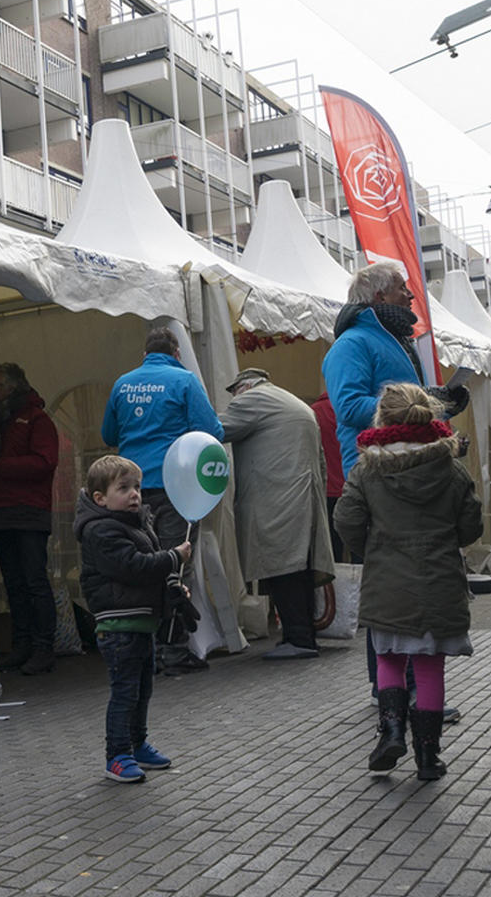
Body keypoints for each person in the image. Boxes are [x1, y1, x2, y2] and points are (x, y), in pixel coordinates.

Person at [333, 383, 483, 782]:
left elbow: (346, 520)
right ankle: (428, 758)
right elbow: (470, 526)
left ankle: (392, 733)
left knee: (389, 659)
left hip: (387, 579)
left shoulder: (368, 468)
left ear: (383, 418)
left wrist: (375, 546)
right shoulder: (450, 466)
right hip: (440, 580)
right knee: (430, 666)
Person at [101, 326, 223, 674]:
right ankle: (175, 652)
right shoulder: (184, 381)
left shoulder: (123, 383)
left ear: (144, 354)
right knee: (175, 566)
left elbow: (109, 434)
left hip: (131, 491)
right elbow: (211, 432)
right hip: (176, 488)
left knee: (140, 566)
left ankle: (146, 653)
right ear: (176, 354)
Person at [75, 455, 191, 783]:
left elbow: (150, 571)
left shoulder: (138, 525)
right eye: (123, 488)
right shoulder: (100, 530)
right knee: (125, 691)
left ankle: (138, 743)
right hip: (119, 626)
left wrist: (172, 586)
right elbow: (132, 567)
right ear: (100, 498)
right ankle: (117, 754)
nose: (134, 494)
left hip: (142, 624)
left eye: (137, 487)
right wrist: (172, 558)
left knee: (143, 689)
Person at [219, 368, 334, 659]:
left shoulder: (252, 400)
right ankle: (304, 635)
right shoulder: (292, 401)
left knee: (284, 569)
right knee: (301, 570)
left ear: (243, 386)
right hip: (305, 498)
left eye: (234, 393)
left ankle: (298, 639)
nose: (234, 399)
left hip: (277, 500)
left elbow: (217, 430)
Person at [322, 263, 467, 477]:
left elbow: (408, 407)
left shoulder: (400, 341)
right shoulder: (351, 344)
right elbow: (349, 408)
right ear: (380, 297)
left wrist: (444, 404)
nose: (410, 296)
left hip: (408, 466)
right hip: (376, 472)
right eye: (402, 288)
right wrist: (424, 400)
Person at [0, 362, 61, 676]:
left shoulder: (38, 420)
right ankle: (22, 644)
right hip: (1, 510)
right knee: (14, 582)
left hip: (29, 510)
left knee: (34, 580)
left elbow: (46, 462)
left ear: (13, 388)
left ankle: (44, 646)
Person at [311, 392, 348, 564]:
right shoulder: (352, 410)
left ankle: (333, 590)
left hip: (326, 491)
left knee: (332, 552)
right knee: (361, 551)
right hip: (353, 488)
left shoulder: (313, 412)